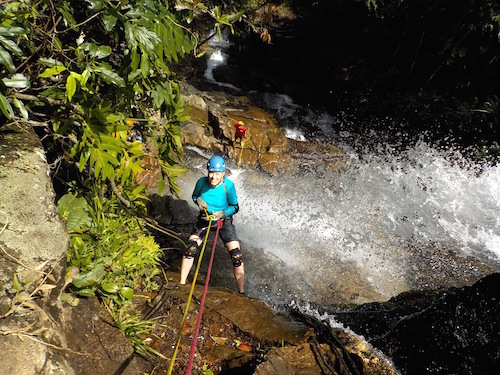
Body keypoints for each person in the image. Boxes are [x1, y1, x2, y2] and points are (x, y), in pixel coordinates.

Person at [179, 155, 245, 294]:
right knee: (190, 249)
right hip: (204, 219)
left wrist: (222, 213)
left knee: (236, 256)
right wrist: (199, 202)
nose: (213, 177)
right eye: (211, 172)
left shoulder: (228, 186)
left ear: (222, 173)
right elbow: (195, 196)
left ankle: (241, 291)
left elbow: (235, 207)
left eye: (217, 173)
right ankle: (182, 283)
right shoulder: (201, 183)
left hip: (223, 221)